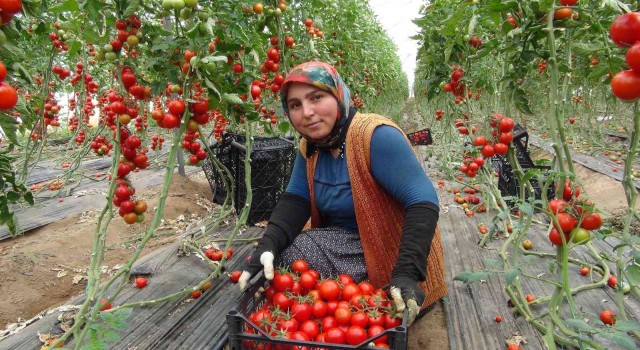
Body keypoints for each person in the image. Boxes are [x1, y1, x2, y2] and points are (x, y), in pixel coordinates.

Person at [238, 61, 446, 325]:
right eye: (295, 105)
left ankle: (381, 296)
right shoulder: (309, 146)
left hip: (393, 248)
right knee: (282, 257)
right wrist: (267, 245)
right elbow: (297, 199)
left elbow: (422, 200)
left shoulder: (375, 135)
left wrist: (408, 272)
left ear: (337, 95)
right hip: (345, 243)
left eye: (316, 97)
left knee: (299, 268)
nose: (307, 112)